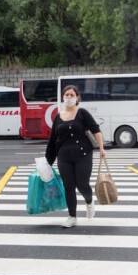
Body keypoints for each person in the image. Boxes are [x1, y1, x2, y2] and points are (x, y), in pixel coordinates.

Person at [46, 85, 106, 228]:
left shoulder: (82, 113)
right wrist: (47, 161)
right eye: (66, 95)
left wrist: (102, 148)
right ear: (62, 97)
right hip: (64, 157)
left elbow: (96, 130)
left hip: (83, 154)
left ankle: (89, 201)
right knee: (68, 186)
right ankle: (72, 216)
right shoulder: (58, 117)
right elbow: (52, 140)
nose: (69, 97)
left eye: (72, 95)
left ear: (77, 98)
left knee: (82, 184)